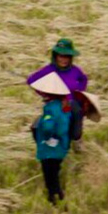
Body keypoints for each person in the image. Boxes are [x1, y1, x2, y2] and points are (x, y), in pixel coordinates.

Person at [27, 38, 93, 140]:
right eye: (61, 56)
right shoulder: (49, 70)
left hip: (73, 106)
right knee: (45, 128)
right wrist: (45, 93)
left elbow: (83, 80)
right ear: (55, 56)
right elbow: (31, 80)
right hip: (55, 105)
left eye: (67, 57)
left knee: (75, 135)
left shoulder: (75, 71)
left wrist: (79, 92)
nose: (64, 60)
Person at [29, 71, 75, 205]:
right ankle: (58, 196)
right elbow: (65, 126)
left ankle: (53, 198)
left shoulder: (50, 109)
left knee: (49, 175)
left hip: (50, 148)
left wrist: (47, 137)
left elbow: (49, 126)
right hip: (61, 146)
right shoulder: (65, 106)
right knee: (55, 172)